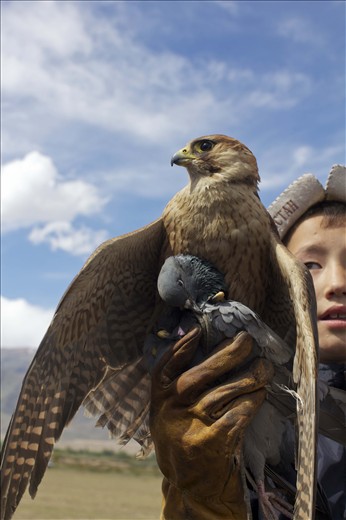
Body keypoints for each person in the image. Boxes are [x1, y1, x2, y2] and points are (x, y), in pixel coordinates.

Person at [149, 165, 346, 519]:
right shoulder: (231, 387)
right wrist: (199, 500)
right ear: (279, 282)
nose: (337, 283)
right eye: (311, 265)